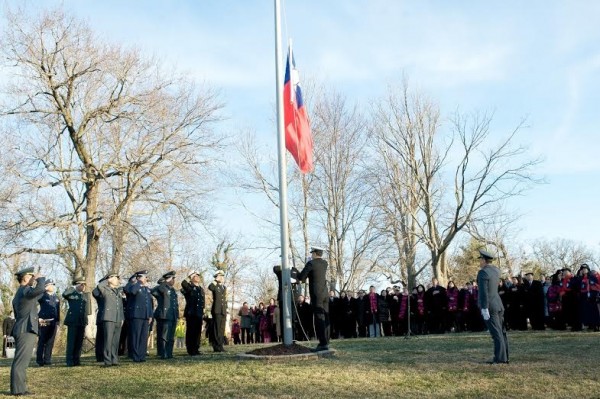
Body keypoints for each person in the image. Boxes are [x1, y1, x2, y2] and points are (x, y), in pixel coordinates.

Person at [10, 267, 45, 396]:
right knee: (21, 362)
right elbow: (40, 289)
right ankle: (18, 390)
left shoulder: (22, 292)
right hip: (25, 330)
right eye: (31, 275)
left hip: (24, 328)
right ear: (25, 277)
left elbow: (38, 294)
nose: (34, 277)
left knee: (22, 362)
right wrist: (41, 279)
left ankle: (20, 388)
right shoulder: (25, 290)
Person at [476, 249, 509, 364]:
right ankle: (505, 357)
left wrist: (484, 308)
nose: (479, 262)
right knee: (501, 332)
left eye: (480, 259)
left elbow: (484, 292)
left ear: (484, 260)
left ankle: (500, 359)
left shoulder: (483, 272)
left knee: (496, 333)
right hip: (498, 304)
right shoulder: (496, 270)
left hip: (490, 306)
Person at [297, 246, 330, 351]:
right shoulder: (325, 263)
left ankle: (323, 343)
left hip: (317, 294)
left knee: (319, 318)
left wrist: (296, 271)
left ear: (315, 253)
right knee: (326, 316)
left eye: (312, 253)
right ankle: (327, 341)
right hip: (325, 293)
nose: (311, 255)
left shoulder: (311, 263)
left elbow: (302, 277)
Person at [93, 272, 125, 367]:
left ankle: (114, 360)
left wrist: (122, 318)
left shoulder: (118, 291)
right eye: (116, 278)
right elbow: (99, 285)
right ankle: (107, 361)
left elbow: (120, 306)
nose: (118, 280)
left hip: (118, 318)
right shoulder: (105, 289)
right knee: (108, 340)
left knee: (116, 341)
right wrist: (108, 279)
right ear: (110, 279)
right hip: (108, 317)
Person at [124, 270, 153, 362]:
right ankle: (135, 356)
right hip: (136, 315)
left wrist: (150, 315)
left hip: (145, 315)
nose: (146, 279)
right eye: (145, 277)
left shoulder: (146, 289)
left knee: (143, 337)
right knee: (136, 336)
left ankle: (141, 355)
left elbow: (149, 303)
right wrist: (138, 281)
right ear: (139, 277)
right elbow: (132, 292)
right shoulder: (134, 286)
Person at [63, 276, 89, 367]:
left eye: (84, 284)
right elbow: (64, 294)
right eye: (81, 284)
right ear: (77, 284)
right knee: (72, 341)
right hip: (73, 320)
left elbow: (85, 310)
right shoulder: (71, 293)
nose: (83, 286)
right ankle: (69, 361)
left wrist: (86, 320)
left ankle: (76, 359)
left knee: (79, 342)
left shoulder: (85, 296)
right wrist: (73, 287)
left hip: (81, 321)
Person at [152, 271, 179, 359]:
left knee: (170, 336)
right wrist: (165, 281)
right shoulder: (163, 287)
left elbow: (175, 303)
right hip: (165, 315)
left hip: (172, 315)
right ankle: (163, 353)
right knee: (164, 336)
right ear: (168, 279)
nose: (174, 280)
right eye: (172, 279)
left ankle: (169, 353)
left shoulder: (172, 289)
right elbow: (155, 290)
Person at [180, 270, 205, 356]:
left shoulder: (201, 289)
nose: (197, 277)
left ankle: (196, 348)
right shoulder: (189, 287)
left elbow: (202, 301)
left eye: (198, 276)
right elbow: (183, 283)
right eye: (195, 276)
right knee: (191, 331)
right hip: (191, 313)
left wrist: (203, 311)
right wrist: (189, 276)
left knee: (198, 332)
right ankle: (190, 349)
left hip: (199, 313)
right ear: (191, 278)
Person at [36, 279, 60, 366]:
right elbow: (33, 305)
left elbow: (58, 310)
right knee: (42, 341)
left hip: (53, 322)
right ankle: (39, 360)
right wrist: (38, 318)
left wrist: (58, 321)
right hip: (44, 322)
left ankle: (47, 359)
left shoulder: (56, 297)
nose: (52, 286)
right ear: (46, 286)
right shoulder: (42, 296)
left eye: (53, 285)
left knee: (50, 341)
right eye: (51, 285)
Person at [208, 270, 227, 352]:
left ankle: (220, 345)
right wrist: (216, 280)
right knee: (217, 329)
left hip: (223, 310)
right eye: (220, 276)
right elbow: (210, 287)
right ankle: (216, 346)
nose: (222, 278)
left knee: (222, 329)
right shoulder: (215, 286)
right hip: (217, 310)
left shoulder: (224, 287)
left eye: (222, 276)